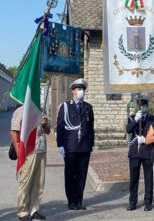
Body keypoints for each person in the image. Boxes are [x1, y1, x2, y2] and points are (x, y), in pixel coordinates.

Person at [56, 78, 94, 210]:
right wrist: (60, 145)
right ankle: (71, 200)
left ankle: (79, 200)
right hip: (70, 146)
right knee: (70, 174)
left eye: (83, 89)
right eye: (79, 89)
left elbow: (91, 127)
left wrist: (91, 144)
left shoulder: (88, 107)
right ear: (73, 91)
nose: (81, 92)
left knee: (82, 175)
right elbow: (60, 126)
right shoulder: (66, 106)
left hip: (84, 146)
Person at [10, 105, 50, 221]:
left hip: (41, 150)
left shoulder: (40, 110)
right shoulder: (20, 111)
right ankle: (22, 212)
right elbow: (14, 132)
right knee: (25, 182)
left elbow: (47, 131)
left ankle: (34, 210)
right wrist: (19, 154)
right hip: (28, 152)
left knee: (39, 182)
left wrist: (44, 124)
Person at [126, 95, 154, 211]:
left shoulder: (153, 119)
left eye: (144, 104)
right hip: (135, 151)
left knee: (149, 177)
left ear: (147, 106)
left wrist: (146, 139)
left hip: (148, 150)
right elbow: (128, 130)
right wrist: (135, 120)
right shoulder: (132, 118)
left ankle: (148, 202)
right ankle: (132, 202)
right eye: (140, 104)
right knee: (133, 178)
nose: (142, 106)